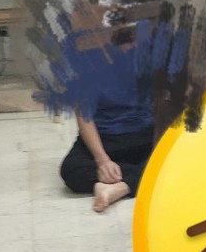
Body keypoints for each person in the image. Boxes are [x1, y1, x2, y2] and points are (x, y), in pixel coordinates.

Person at [59, 20, 160, 211]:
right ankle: (138, 177)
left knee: (177, 159)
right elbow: (84, 117)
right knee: (71, 170)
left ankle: (120, 187)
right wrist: (102, 161)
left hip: (144, 135)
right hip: (105, 139)